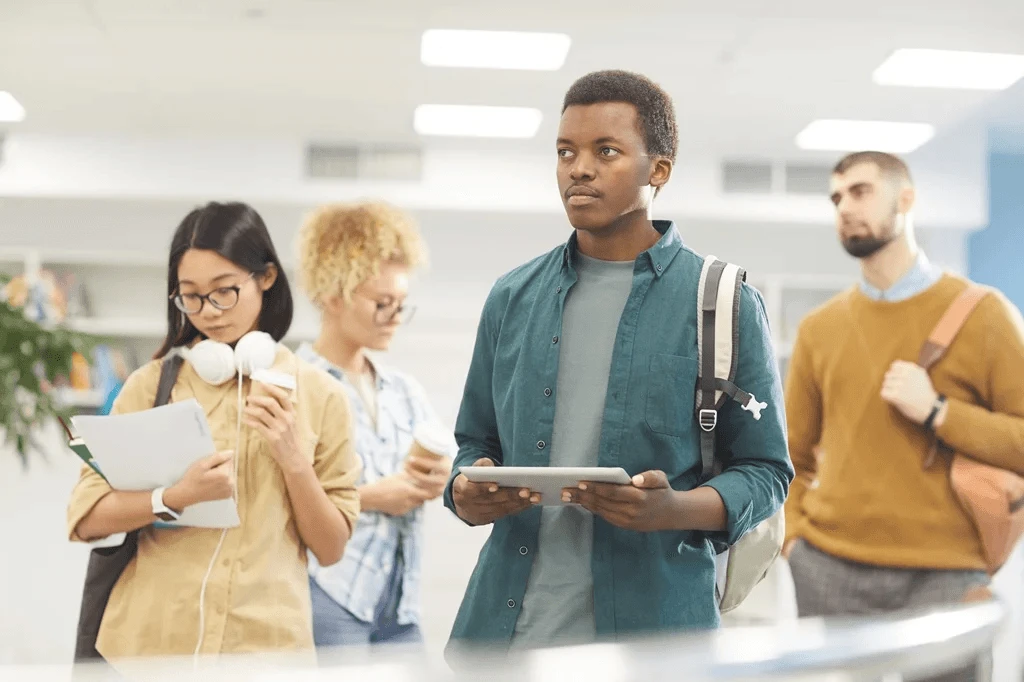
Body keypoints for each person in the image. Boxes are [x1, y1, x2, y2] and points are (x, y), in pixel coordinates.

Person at [442, 70, 793, 655]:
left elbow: (766, 471)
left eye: (606, 151)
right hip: (505, 638)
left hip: (656, 640)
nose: (579, 168)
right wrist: (465, 490)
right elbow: (473, 441)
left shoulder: (723, 302)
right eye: (565, 152)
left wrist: (672, 510)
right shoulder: (512, 296)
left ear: (659, 169)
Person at [66, 201, 362, 660]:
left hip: (266, 652)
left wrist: (293, 459)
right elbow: (86, 518)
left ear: (266, 278)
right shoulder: (149, 387)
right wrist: (173, 497)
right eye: (191, 295)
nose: (208, 311)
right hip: (149, 648)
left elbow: (331, 548)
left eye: (224, 291)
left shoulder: (323, 396)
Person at [782, 152, 1024, 682]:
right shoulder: (820, 329)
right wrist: (795, 541)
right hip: (830, 567)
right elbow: (790, 457)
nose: (845, 207)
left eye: (861, 191)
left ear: (906, 199)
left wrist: (940, 412)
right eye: (837, 197)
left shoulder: (984, 314)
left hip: (944, 574)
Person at [295, 201, 454, 651]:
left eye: (402, 305)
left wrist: (443, 479)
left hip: (399, 605)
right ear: (331, 294)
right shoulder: (293, 384)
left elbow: (442, 474)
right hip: (328, 595)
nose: (395, 319)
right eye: (382, 304)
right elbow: (273, 502)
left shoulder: (404, 391)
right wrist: (369, 498)